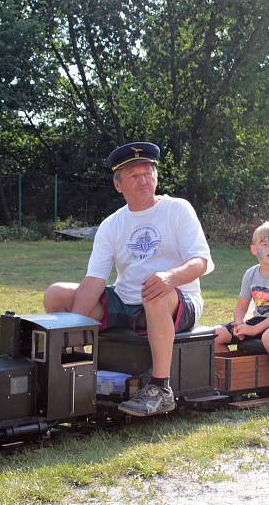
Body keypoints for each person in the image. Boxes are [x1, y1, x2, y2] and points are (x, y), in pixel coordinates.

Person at [43, 142, 214, 417]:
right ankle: (74, 371)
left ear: (156, 177)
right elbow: (95, 281)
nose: (143, 180)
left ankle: (161, 388)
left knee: (154, 292)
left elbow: (201, 262)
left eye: (148, 173)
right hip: (126, 301)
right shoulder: (112, 224)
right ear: (118, 185)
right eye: (134, 175)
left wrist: (170, 277)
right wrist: (70, 332)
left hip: (177, 299)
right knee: (56, 294)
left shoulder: (178, 209)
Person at [213, 222, 269, 400]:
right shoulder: (250, 274)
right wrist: (239, 323)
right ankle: (234, 383)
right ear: (254, 249)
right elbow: (242, 305)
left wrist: (253, 330)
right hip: (260, 321)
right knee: (216, 335)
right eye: (264, 244)